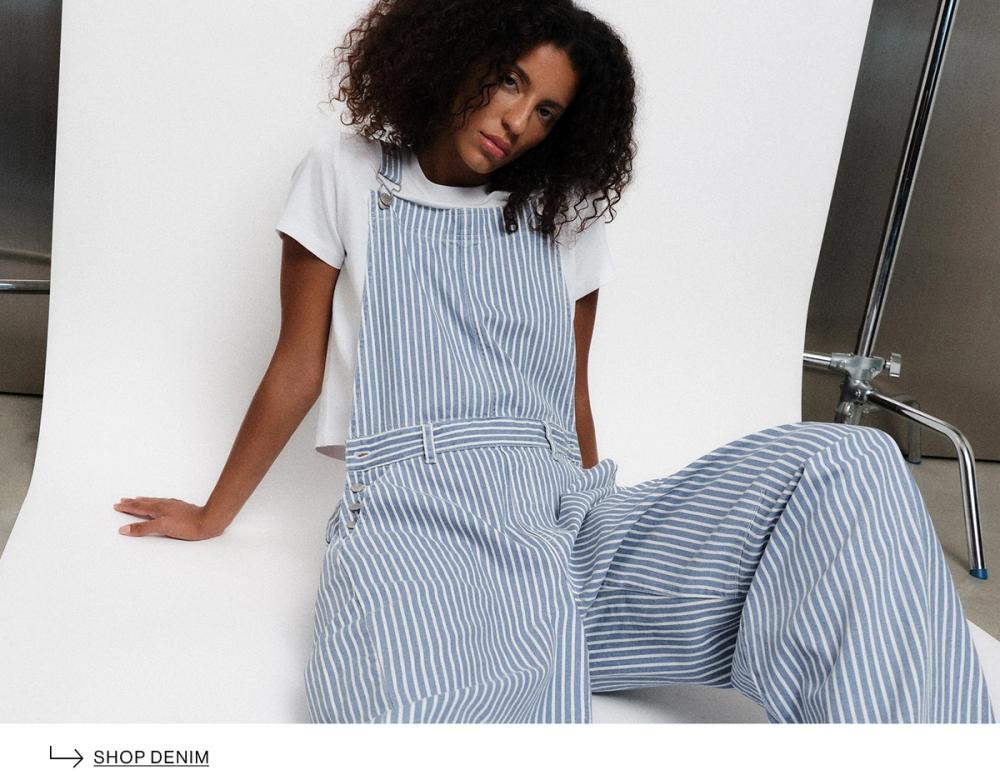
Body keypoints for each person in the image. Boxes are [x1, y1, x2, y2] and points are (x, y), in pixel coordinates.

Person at [112, 0, 996, 724]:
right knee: (417, 709)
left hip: (565, 524)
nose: (516, 122)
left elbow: (570, 395)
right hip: (422, 525)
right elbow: (297, 365)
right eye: (509, 82)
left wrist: (591, 516)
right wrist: (213, 514)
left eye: (547, 112)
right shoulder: (345, 172)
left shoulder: (563, 215)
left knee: (847, 460)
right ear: (449, 55)